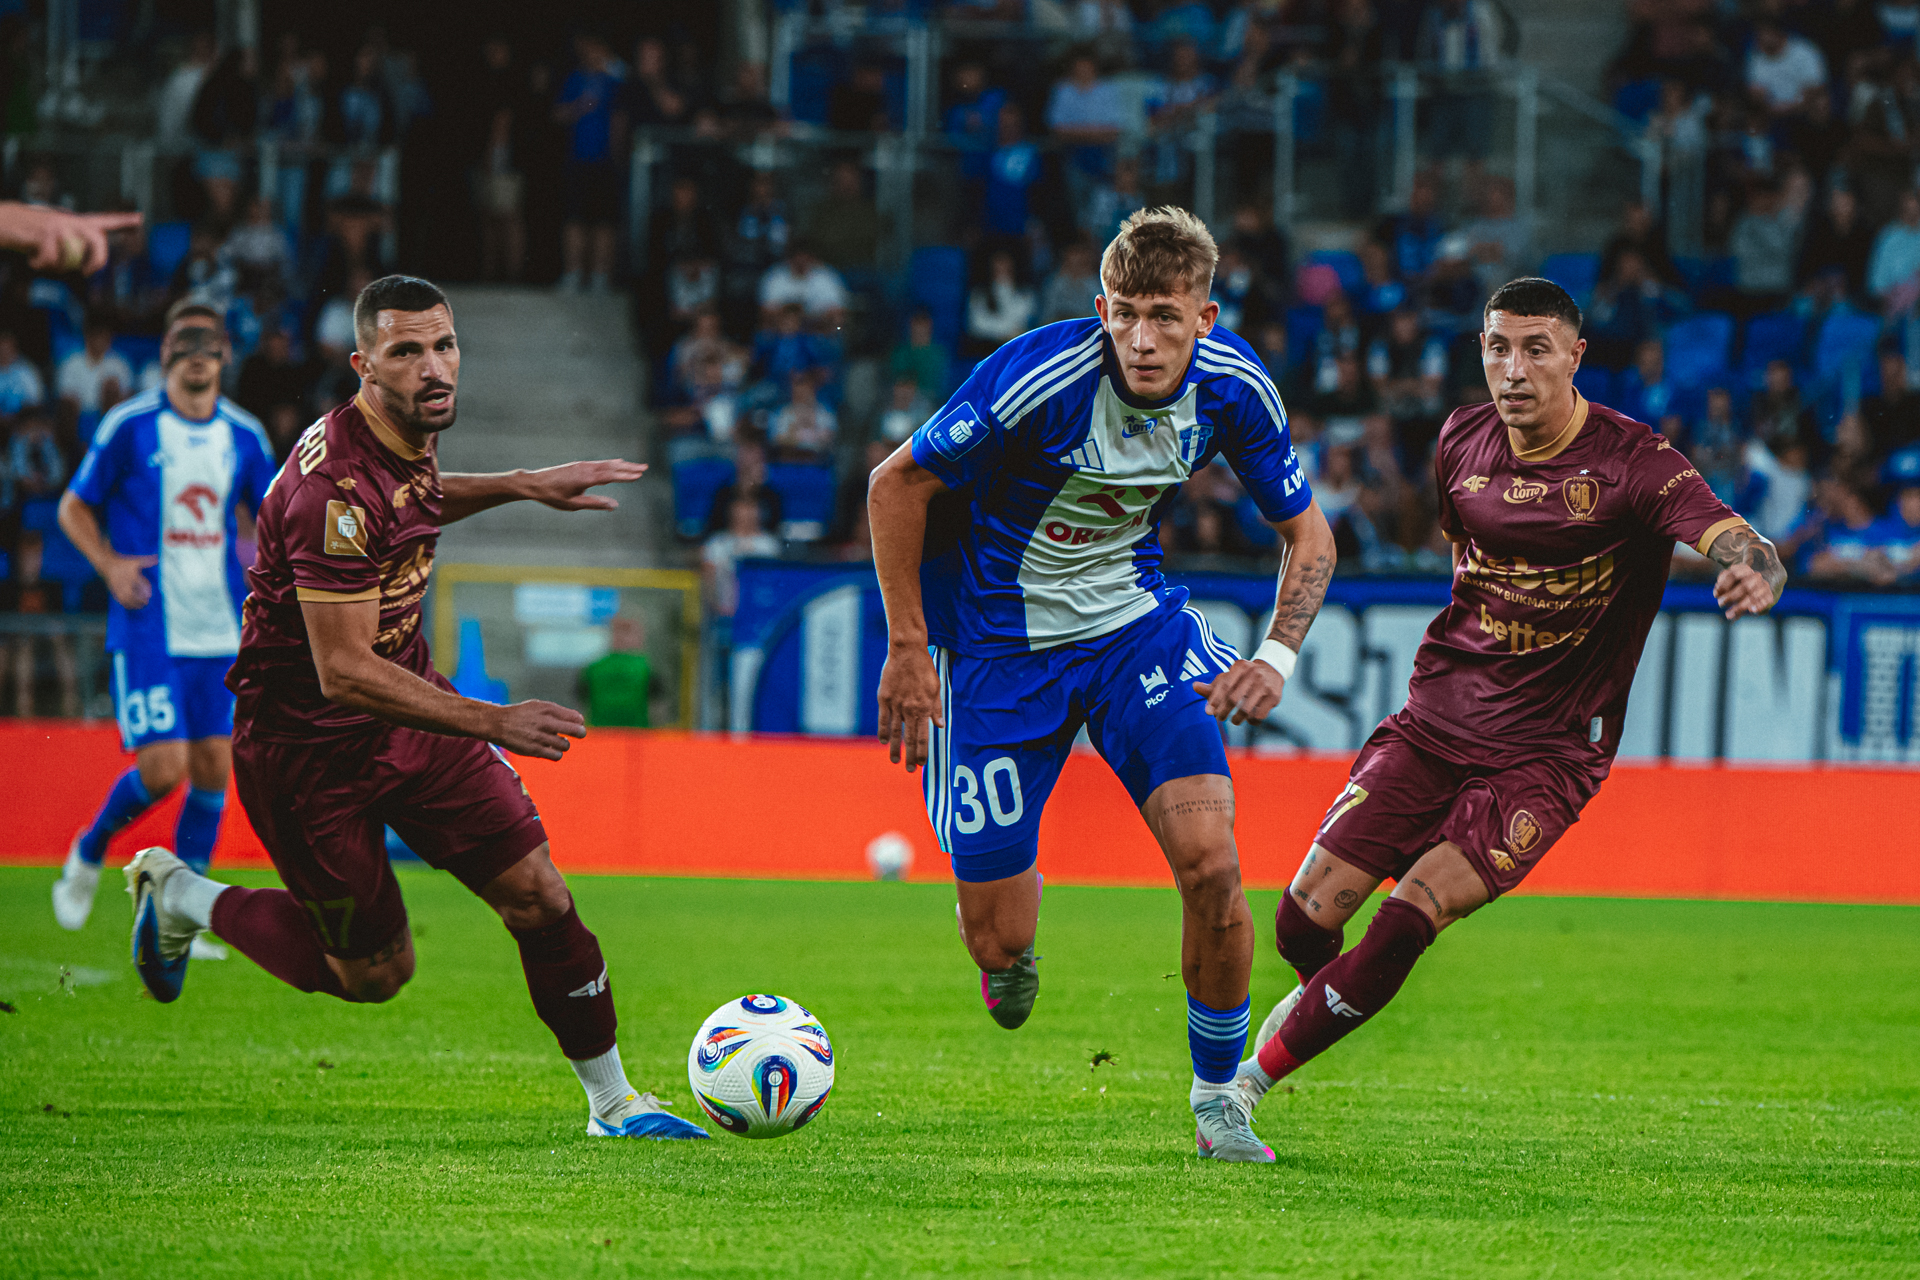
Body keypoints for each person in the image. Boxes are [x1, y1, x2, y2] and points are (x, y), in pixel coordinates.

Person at [115, 275, 706, 1143]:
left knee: (538, 893)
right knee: (373, 976)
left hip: (409, 713)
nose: (435, 368)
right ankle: (182, 896)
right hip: (308, 750)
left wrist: (521, 483)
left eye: (444, 345)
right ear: (363, 366)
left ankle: (615, 1104)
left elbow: (413, 501)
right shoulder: (332, 492)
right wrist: (493, 720)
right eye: (406, 352)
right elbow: (343, 672)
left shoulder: (402, 434)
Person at [1230, 278, 1787, 1123]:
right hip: (1433, 723)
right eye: (1498, 348)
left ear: (1575, 355)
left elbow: (1739, 537)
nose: (1514, 369)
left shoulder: (1635, 463)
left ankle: (1246, 1087)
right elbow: (1464, 550)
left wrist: (1756, 568)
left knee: (1406, 919)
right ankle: (1327, 998)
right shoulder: (1460, 439)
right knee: (1300, 926)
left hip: (1546, 753)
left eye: (1535, 349)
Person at [868, 207, 1337, 1163]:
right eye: (1125, 314)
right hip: (995, 650)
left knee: (1213, 865)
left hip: (1134, 633)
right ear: (1100, 309)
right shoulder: (1037, 378)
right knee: (997, 944)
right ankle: (1009, 936)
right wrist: (908, 648)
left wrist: (1275, 657)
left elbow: (1309, 535)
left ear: (1205, 318)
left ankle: (1219, 1099)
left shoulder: (1236, 389)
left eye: (1165, 317)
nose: (1142, 339)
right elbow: (895, 484)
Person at [49, 302, 279, 940]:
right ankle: (89, 851)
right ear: (166, 353)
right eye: (186, 344)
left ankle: (180, 917)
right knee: (163, 769)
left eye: (209, 345)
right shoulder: (130, 425)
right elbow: (73, 506)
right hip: (150, 624)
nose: (198, 357)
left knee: (214, 768)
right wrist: (108, 565)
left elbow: (275, 519)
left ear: (225, 354)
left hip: (221, 629)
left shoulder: (245, 435)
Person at [577, 616, 653, 728]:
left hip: (599, 732)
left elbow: (581, 696)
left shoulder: (594, 667)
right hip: (636, 732)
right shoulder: (645, 667)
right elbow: (657, 700)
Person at [57, 318, 134, 418]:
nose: (104, 341)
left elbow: (127, 396)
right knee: (67, 406)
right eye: (100, 336)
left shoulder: (119, 364)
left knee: (111, 389)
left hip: (107, 414)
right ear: (89, 338)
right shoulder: (71, 363)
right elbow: (65, 397)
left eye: (107, 337)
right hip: (78, 415)